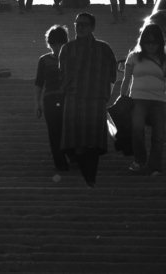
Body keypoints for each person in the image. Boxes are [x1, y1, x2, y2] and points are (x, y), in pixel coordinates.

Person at [58, 11, 117, 187]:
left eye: (84, 24)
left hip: (95, 99)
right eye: (77, 23)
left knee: (92, 143)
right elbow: (62, 73)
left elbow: (112, 75)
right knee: (76, 141)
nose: (79, 27)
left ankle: (90, 177)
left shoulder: (103, 48)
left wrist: (105, 95)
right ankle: (84, 174)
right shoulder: (67, 48)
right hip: (74, 99)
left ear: (92, 27)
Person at [118, 24, 166, 176]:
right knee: (137, 129)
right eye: (147, 42)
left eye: (154, 42)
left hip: (159, 100)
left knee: (158, 135)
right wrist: (122, 97)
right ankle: (139, 160)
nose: (151, 45)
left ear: (160, 43)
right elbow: (126, 80)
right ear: (142, 42)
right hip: (138, 99)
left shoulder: (164, 59)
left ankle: (155, 165)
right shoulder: (134, 57)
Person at [34, 25, 70, 172]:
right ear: (49, 44)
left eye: (60, 43)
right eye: (54, 43)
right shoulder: (43, 60)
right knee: (54, 133)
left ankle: (72, 156)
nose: (57, 47)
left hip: (68, 100)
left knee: (68, 130)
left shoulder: (71, 59)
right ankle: (60, 164)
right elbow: (39, 83)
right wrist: (37, 104)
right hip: (49, 100)